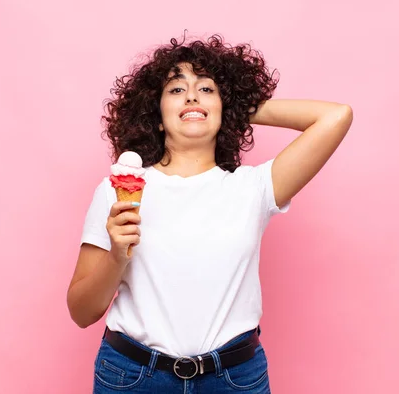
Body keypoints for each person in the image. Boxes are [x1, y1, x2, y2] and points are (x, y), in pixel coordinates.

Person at [67, 34, 353, 393]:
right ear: (155, 115)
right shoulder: (119, 191)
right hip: (134, 376)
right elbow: (81, 312)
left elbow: (335, 116)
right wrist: (115, 256)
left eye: (206, 89)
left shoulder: (254, 187)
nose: (191, 96)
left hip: (234, 378)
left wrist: (238, 105)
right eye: (175, 90)